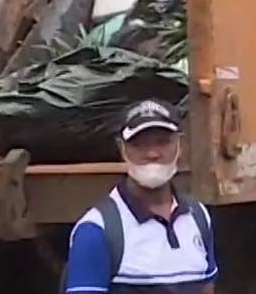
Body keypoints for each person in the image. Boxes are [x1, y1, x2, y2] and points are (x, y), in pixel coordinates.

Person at [64, 99, 218, 294]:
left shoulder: (198, 217)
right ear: (122, 149)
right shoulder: (97, 230)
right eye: (140, 144)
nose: (152, 153)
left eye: (162, 142)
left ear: (181, 145)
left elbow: (207, 288)